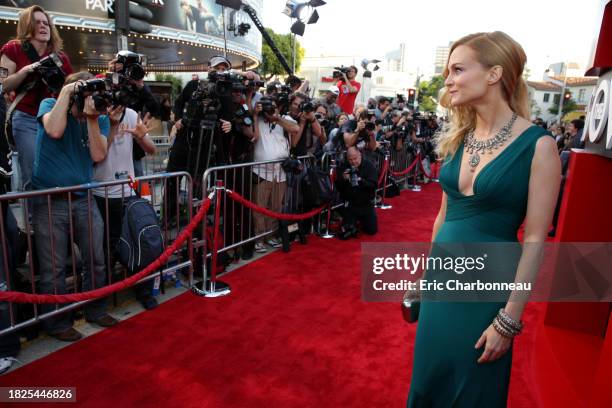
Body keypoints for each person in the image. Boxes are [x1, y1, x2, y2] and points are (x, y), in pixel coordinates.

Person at [407, 31, 561, 407]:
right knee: (428, 382)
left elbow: (537, 239)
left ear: (493, 74)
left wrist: (509, 319)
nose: (448, 80)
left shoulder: (539, 146)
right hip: (441, 286)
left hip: (488, 292)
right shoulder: (459, 139)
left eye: (458, 69)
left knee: (472, 391)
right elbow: (442, 217)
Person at [32, 71, 119, 342]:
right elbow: (54, 130)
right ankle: (57, 323)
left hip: (83, 198)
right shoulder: (50, 105)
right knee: (54, 268)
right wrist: (67, 93)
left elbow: (97, 155)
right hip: (49, 200)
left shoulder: (99, 116)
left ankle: (96, 309)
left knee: (95, 259)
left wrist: (92, 119)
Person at [0, 5, 72, 193]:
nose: (43, 26)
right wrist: (27, 70)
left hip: (54, 117)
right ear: (27, 25)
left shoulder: (60, 58)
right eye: (37, 22)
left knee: (57, 171)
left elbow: (70, 88)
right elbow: (3, 84)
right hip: (26, 118)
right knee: (32, 174)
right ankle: (34, 221)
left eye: (46, 23)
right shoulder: (13, 49)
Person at [93, 104, 157, 310]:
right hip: (100, 193)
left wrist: (140, 136)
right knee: (105, 250)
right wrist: (111, 125)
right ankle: (103, 301)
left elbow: (152, 149)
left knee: (139, 243)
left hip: (128, 192)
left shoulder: (130, 113)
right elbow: (98, 156)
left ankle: (144, 291)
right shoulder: (94, 114)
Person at [251, 97, 299, 253]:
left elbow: (295, 129)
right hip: (261, 171)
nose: (270, 111)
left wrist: (276, 118)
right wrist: (256, 115)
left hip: (281, 172)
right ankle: (259, 240)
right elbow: (253, 136)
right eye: (268, 108)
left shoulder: (284, 120)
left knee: (275, 207)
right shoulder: (257, 120)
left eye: (273, 107)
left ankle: (270, 236)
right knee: (259, 207)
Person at [335, 147, 378, 239]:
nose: (353, 162)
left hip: (366, 204)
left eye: (355, 158)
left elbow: (374, 185)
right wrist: (343, 179)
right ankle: (353, 222)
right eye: (350, 159)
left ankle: (362, 221)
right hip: (351, 205)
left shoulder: (369, 165)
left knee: (372, 230)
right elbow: (338, 187)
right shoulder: (344, 166)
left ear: (360, 155)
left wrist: (361, 181)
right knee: (346, 233)